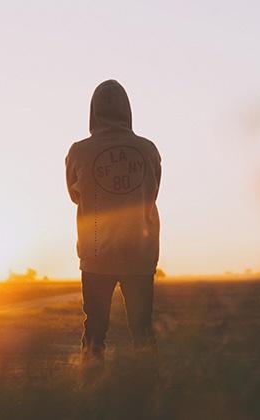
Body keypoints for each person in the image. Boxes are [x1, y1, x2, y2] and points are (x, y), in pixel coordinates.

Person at [65, 80, 161, 366]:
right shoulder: (148, 149)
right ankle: (148, 393)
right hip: (140, 254)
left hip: (96, 254)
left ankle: (91, 395)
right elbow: (152, 192)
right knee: (142, 331)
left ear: (93, 111)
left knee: (94, 332)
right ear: (127, 110)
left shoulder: (79, 151)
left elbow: (74, 195)